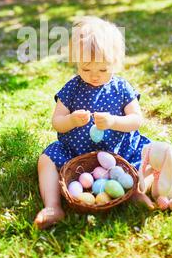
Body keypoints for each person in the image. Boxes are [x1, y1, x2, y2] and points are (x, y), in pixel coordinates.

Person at [34, 16, 155, 230]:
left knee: (146, 154)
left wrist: (113, 121)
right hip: (76, 154)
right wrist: (70, 120)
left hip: (119, 152)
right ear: (76, 62)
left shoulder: (121, 88)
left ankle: (137, 192)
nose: (94, 76)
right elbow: (57, 122)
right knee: (46, 159)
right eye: (86, 69)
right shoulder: (71, 88)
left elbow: (137, 120)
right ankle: (53, 206)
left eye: (102, 69)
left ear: (115, 62)